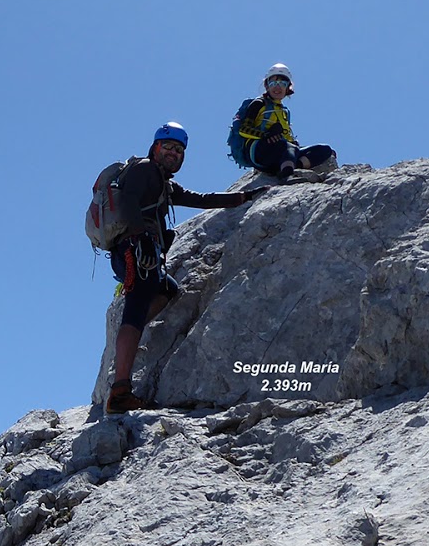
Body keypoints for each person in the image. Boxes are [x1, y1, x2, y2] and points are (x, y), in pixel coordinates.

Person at [105, 122, 265, 414]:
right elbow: (128, 201)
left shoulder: (164, 185)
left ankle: (131, 336)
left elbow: (201, 199)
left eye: (179, 150)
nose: (173, 153)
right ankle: (120, 391)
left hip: (142, 251)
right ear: (155, 148)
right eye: (167, 147)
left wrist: (245, 197)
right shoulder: (144, 170)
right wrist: (140, 238)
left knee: (168, 288)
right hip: (135, 250)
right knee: (137, 305)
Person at [232, 63, 336, 181]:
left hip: (279, 152)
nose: (278, 87)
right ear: (267, 86)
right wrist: (265, 136)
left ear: (288, 88)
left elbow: (287, 139)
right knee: (288, 147)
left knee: (324, 149)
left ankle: (289, 167)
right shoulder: (258, 104)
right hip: (259, 151)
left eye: (283, 83)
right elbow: (243, 129)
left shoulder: (283, 112)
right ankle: (286, 176)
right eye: (273, 83)